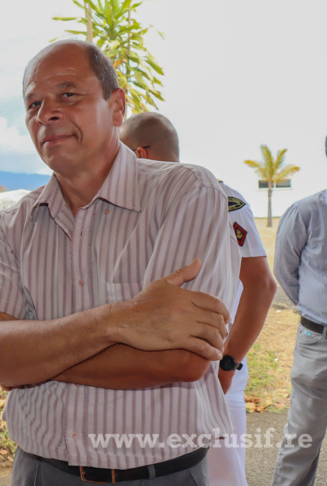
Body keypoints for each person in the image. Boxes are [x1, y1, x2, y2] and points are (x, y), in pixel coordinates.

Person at [0, 40, 240, 485]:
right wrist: (122, 320)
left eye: (68, 94)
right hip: (41, 472)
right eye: (33, 103)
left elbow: (182, 359)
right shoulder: (12, 225)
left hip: (161, 475)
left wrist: (30, 359)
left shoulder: (187, 193)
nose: (46, 114)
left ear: (117, 107)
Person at [120, 112, 277, 486]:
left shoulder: (222, 198)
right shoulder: (139, 207)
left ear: (141, 155)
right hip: (154, 375)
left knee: (221, 478)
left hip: (211, 372)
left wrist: (227, 366)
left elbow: (261, 285)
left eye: (121, 156)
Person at [271, 136, 327, 486]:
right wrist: (313, 311)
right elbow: (284, 272)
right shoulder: (307, 212)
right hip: (317, 341)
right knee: (301, 441)